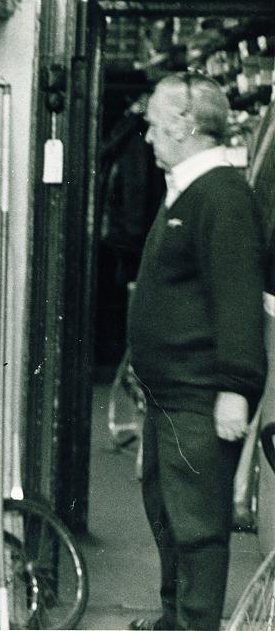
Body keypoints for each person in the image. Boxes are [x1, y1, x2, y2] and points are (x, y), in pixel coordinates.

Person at [127, 72, 267, 631]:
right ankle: (173, 621)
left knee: (197, 526)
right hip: (171, 393)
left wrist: (235, 388)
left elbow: (237, 299)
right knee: (167, 515)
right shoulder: (187, 188)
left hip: (200, 395)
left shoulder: (222, 196)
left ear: (186, 125)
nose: (148, 133)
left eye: (156, 120)